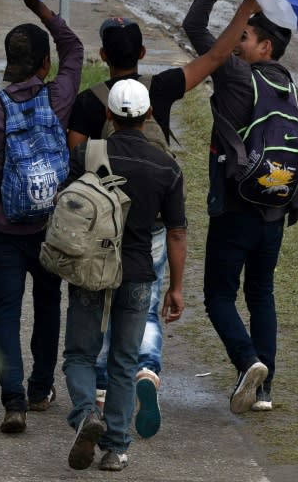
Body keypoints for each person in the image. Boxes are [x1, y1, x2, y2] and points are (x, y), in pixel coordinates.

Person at [67, 0, 260, 437]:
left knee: (101, 298)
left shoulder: (89, 105)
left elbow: (74, 162)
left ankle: (106, 387)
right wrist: (247, 6)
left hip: (101, 222)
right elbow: (216, 57)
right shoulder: (163, 88)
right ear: (143, 53)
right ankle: (146, 369)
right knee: (144, 301)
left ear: (104, 57)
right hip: (152, 221)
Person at [182, 0, 298, 413]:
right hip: (274, 213)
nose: (236, 40)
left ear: (265, 45)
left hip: (234, 208)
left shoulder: (234, 75)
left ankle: (248, 363)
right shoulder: (292, 92)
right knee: (261, 294)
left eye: (244, 36)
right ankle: (263, 391)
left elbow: (194, 26)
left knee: (218, 297)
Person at [0, 0, 84, 435]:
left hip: (4, 230)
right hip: (50, 227)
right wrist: (44, 11)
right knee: (48, 305)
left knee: (6, 310)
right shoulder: (59, 98)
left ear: (9, 62)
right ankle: (41, 389)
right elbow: (76, 50)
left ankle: (13, 401)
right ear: (43, 65)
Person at [63, 78, 186, 472]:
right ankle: (116, 448)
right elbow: (177, 231)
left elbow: (66, 206)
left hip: (90, 269)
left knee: (80, 354)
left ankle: (86, 414)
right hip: (137, 273)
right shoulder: (166, 166)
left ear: (107, 116)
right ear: (149, 115)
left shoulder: (86, 154)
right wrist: (176, 288)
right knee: (124, 359)